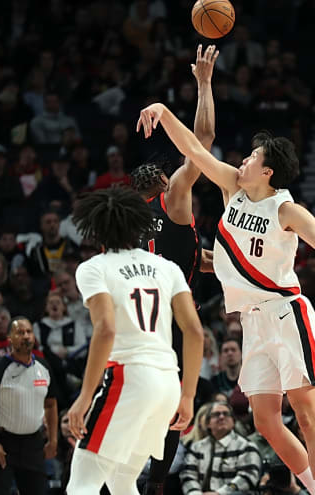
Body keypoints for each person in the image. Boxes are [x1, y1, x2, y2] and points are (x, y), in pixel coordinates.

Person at [137, 100, 315, 495]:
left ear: (268, 170)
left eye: (251, 157)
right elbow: (194, 148)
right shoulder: (232, 188)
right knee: (265, 420)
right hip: (252, 321)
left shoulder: (286, 209)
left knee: (307, 412)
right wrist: (163, 111)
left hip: (285, 312)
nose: (242, 161)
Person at [65, 187, 204, 494]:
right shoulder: (168, 268)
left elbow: (105, 330)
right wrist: (189, 396)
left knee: (82, 483)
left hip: (130, 377)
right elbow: (194, 331)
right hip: (168, 383)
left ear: (96, 232)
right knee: (121, 480)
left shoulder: (93, 268)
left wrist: (85, 397)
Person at [133, 44, 218, 495]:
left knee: (138, 402)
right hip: (174, 319)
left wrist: (221, 263)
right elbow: (201, 144)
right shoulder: (175, 197)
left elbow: (187, 257)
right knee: (176, 405)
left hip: (137, 319)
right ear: (164, 184)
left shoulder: (126, 222)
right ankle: (159, 484)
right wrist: (203, 83)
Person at [0, 317, 58, 495]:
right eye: (20, 332)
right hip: (2, 444)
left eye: (28, 332)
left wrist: (53, 439)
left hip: (33, 444)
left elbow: (51, 404)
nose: (25, 336)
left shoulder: (44, 367)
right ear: (10, 338)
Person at [179, 401, 262, 494]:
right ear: (207, 423)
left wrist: (219, 493)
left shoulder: (246, 446)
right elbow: (188, 475)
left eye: (226, 414)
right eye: (216, 414)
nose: (222, 417)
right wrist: (195, 493)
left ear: (233, 422)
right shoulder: (196, 447)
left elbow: (247, 477)